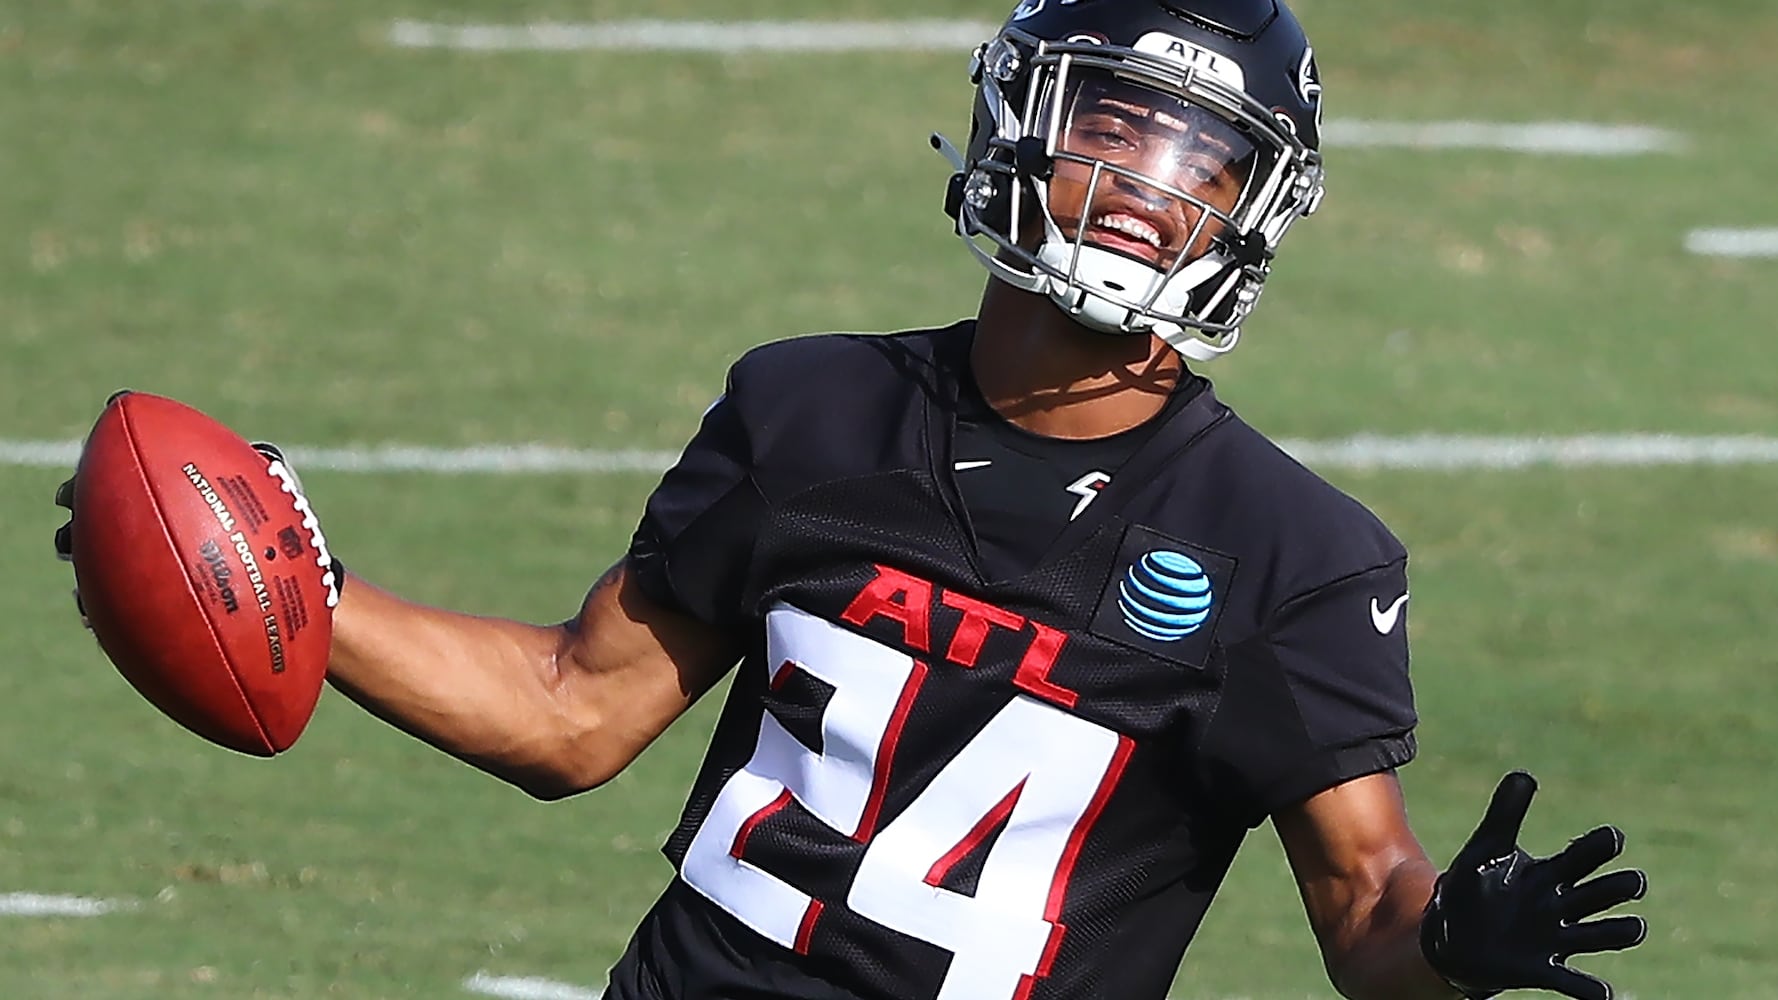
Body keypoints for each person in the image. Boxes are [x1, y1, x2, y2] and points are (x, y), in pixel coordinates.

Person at [54, 0, 1649, 997]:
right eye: (1114, 131)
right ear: (1019, 120)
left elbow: (1367, 906)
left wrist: (1452, 938)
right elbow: (570, 715)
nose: (1147, 190)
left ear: (1251, 219)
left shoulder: (1289, 553)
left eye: (1200, 169)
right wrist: (278, 583)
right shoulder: (813, 405)